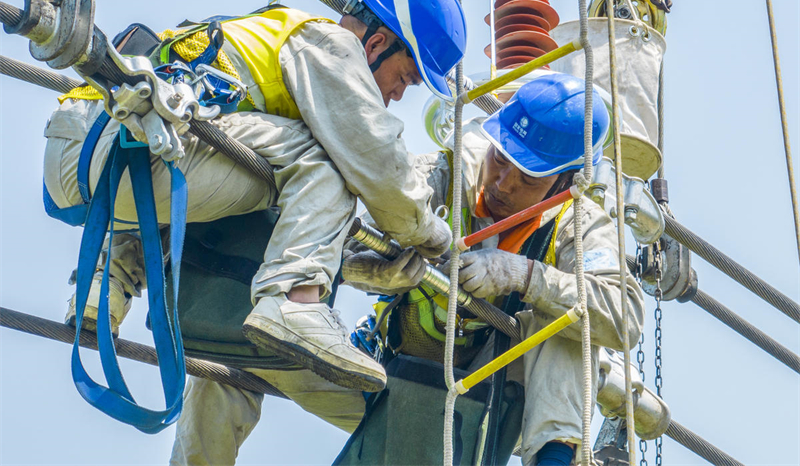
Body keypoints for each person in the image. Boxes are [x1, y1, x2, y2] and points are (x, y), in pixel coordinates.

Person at [169, 73, 645, 466]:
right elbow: (341, 231)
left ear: (565, 183)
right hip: (386, 377)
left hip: (484, 407)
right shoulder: (444, 175)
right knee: (239, 347)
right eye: (500, 159)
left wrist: (521, 275)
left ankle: (555, 460)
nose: (502, 184)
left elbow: (623, 315)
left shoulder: (578, 223)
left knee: (567, 321)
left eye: (527, 177)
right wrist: (368, 271)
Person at [43, 0, 466, 393]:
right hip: (127, 153)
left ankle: (105, 287)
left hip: (84, 151)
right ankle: (295, 300)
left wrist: (350, 267)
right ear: (376, 44)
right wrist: (431, 234)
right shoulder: (332, 45)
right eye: (405, 78)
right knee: (330, 157)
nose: (397, 95)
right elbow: (376, 161)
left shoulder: (272, 35)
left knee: (252, 164)